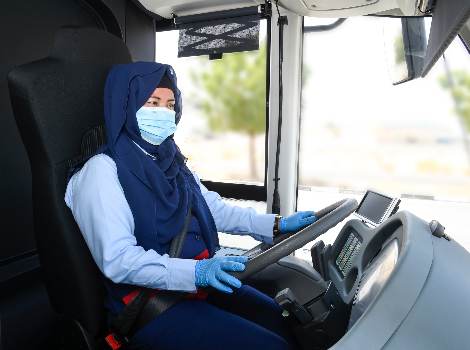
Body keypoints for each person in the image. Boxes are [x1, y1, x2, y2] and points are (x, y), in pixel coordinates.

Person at [65, 62, 317, 350]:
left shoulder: (170, 160)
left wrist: (276, 224)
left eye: (170, 104)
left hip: (197, 287)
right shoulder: (101, 171)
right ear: (126, 106)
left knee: (281, 319)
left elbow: (214, 209)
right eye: (152, 102)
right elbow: (118, 260)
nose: (164, 113)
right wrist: (195, 272)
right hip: (152, 305)